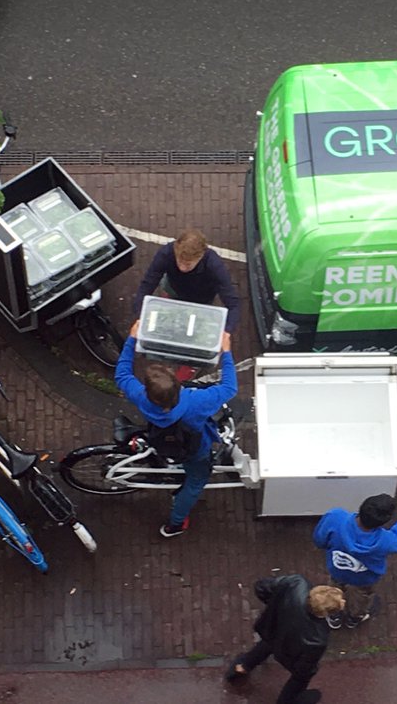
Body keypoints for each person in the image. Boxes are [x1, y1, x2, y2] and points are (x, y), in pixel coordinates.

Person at [114, 319, 237, 537]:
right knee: (196, 481)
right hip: (196, 451)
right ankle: (176, 522)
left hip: (161, 438)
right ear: (177, 385)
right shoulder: (196, 402)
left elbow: (122, 374)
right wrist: (226, 351)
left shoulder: (142, 398)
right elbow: (229, 387)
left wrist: (131, 339)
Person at [312, 478, 397, 629]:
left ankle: (334, 615)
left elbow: (319, 540)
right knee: (361, 598)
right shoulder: (387, 541)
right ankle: (354, 618)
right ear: (384, 521)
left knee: (333, 592)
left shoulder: (335, 517)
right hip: (364, 578)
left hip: (336, 570)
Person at [225, 575, 344, 704]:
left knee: (268, 643)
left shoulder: (297, 583)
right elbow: (304, 668)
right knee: (301, 678)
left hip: (273, 629)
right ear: (326, 613)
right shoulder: (318, 638)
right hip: (287, 651)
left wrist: (274, 605)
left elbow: (262, 587)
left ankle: (242, 666)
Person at [131, 227, 241, 333]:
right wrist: (140, 315)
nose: (182, 268)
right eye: (180, 261)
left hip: (201, 299)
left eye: (188, 264)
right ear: (175, 250)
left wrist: (226, 331)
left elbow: (233, 303)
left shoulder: (214, 265)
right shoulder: (165, 253)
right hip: (173, 289)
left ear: (200, 257)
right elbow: (147, 284)